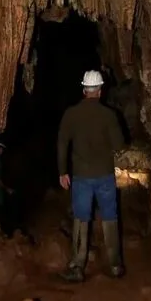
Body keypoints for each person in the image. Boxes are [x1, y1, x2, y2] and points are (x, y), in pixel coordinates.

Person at [57, 70, 126, 282]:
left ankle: (78, 266)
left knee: (81, 218)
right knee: (109, 217)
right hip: (105, 175)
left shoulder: (71, 113)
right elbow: (120, 146)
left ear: (84, 89)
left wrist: (62, 172)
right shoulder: (109, 115)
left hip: (81, 176)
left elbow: (62, 143)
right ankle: (114, 264)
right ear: (99, 90)